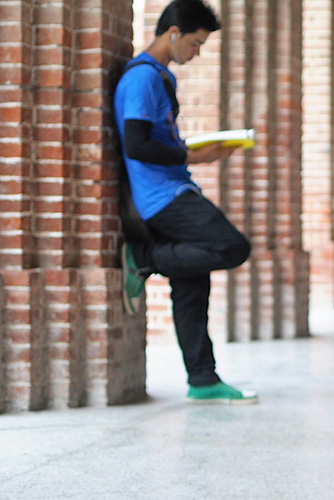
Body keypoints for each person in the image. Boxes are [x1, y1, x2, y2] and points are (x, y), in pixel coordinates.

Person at [114, 0, 256, 404]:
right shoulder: (141, 79)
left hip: (176, 187)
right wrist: (196, 156)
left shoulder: (161, 78)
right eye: (195, 43)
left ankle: (203, 379)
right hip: (162, 197)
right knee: (231, 246)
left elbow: (157, 138)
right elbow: (136, 144)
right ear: (172, 33)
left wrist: (196, 149)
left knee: (193, 285)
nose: (197, 53)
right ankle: (143, 258)